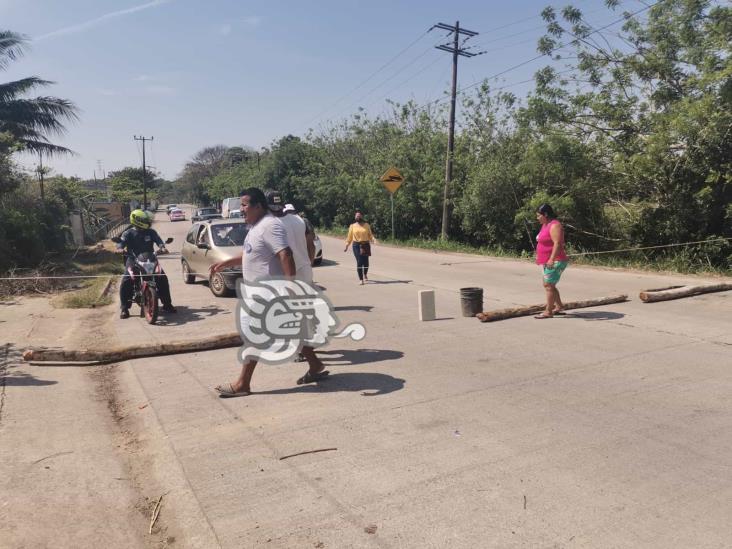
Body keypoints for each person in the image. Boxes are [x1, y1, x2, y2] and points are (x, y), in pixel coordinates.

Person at [210, 187, 328, 398]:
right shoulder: (257, 227)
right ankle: (316, 365)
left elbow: (286, 254)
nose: (241, 210)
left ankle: (242, 384)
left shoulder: (270, 226)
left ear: (258, 206)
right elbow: (251, 255)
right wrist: (227, 262)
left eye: (245, 205)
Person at [116, 209, 176, 319]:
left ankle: (167, 304)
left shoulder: (151, 232)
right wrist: (120, 248)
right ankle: (124, 308)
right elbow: (121, 242)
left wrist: (162, 247)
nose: (148, 222)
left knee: (162, 278)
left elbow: (158, 240)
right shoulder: (128, 233)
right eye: (145, 220)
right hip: (133, 259)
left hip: (150, 258)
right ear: (137, 220)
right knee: (126, 280)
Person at [534, 203, 569, 319]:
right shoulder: (545, 224)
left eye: (539, 215)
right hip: (547, 261)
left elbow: (557, 243)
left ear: (546, 214)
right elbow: (543, 241)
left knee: (548, 285)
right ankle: (559, 307)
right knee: (550, 285)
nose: (537, 218)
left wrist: (551, 259)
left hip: (556, 260)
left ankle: (548, 311)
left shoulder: (555, 225)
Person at [344, 210, 375, 284]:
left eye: (359, 215)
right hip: (356, 245)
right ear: (355, 217)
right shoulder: (352, 226)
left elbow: (370, 235)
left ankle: (365, 274)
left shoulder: (366, 225)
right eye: (356, 216)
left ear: (361, 217)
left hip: (365, 245)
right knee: (359, 261)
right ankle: (361, 279)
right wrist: (347, 245)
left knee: (366, 262)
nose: (358, 217)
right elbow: (349, 237)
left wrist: (374, 239)